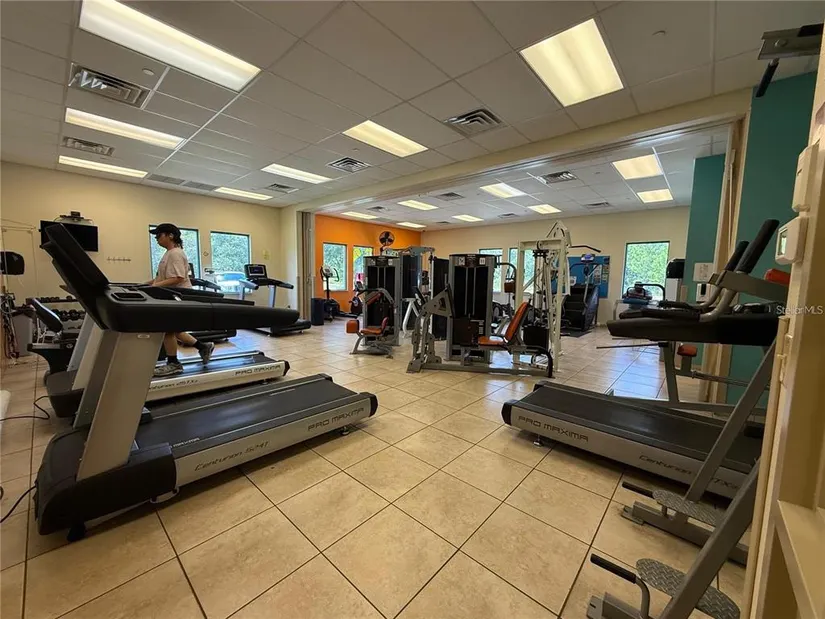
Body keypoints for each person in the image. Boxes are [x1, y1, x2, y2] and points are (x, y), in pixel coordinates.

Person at [148, 223, 214, 377]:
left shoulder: (175, 253)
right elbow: (161, 278)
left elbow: (178, 277)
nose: (156, 238)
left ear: (170, 235)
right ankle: (203, 347)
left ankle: (174, 364)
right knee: (175, 330)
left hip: (178, 297)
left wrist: (154, 286)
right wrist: (144, 285)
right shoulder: (168, 254)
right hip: (171, 296)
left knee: (167, 329)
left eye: (159, 235)